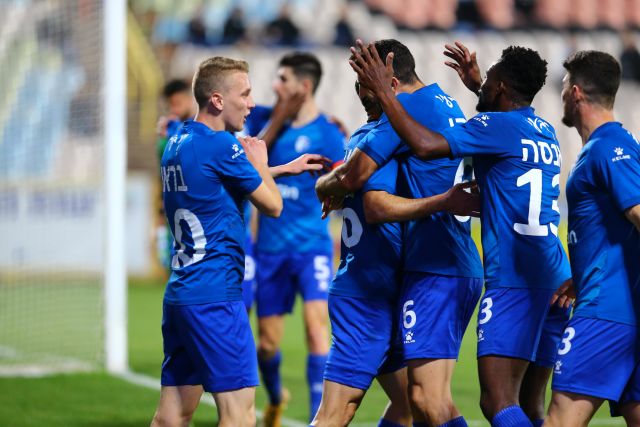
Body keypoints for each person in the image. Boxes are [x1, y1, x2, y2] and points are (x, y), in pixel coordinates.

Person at [348, 40, 572, 427]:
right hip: (555, 277)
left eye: (490, 78)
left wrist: (385, 93)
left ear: (502, 87)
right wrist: (479, 86)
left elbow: (424, 145)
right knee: (531, 405)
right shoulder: (544, 131)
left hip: (515, 279)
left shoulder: (494, 127)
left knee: (496, 401)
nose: (483, 80)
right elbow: (504, 121)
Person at [151, 56, 329, 427]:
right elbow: (274, 206)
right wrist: (262, 162)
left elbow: (217, 178)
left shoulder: (177, 142)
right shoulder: (223, 145)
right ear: (217, 100)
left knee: (171, 416)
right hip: (216, 298)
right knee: (240, 416)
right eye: (244, 94)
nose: (251, 103)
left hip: (182, 295)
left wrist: (282, 169)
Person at [316, 39, 484, 427]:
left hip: (424, 273)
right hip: (425, 271)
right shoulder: (447, 104)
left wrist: (326, 186)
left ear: (389, 82)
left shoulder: (399, 116)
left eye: (370, 91)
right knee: (412, 402)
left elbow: (358, 184)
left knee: (424, 400)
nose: (367, 100)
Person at [243, 52, 345, 426]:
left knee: (317, 330)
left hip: (311, 247)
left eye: (282, 79)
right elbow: (243, 165)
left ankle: (318, 419)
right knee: (267, 344)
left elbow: (344, 180)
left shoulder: (329, 134)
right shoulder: (260, 121)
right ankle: (275, 397)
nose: (275, 85)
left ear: (304, 86)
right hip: (269, 250)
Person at [544, 50, 640, 427]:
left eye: (564, 86)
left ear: (577, 93)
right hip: (622, 306)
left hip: (605, 313)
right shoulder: (613, 145)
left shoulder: (607, 149)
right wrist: (583, 273)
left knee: (560, 421)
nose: (562, 94)